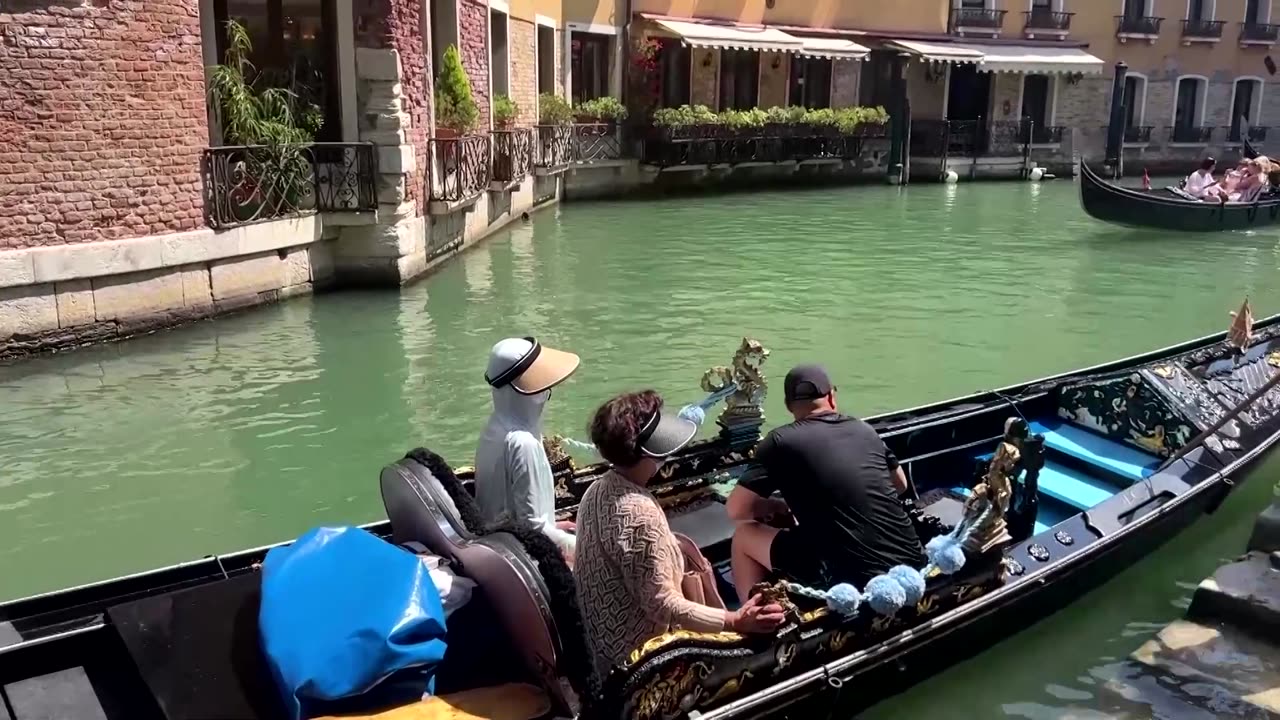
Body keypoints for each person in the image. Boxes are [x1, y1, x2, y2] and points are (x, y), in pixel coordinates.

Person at [574, 390, 785, 677]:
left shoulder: (595, 490)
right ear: (650, 452)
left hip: (600, 645)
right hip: (639, 660)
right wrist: (735, 620)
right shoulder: (641, 514)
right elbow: (663, 606)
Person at [725, 365, 926, 602]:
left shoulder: (779, 441)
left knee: (743, 536)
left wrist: (775, 508)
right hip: (913, 563)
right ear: (831, 396)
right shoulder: (863, 429)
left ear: (789, 406)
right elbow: (900, 485)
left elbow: (736, 510)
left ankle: (753, 618)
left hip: (850, 582)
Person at [475, 336, 581, 563]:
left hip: (497, 543)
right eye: (543, 390)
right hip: (520, 559)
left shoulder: (492, 429)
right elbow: (535, 532)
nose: (545, 397)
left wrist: (553, 524)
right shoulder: (523, 443)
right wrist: (588, 547)